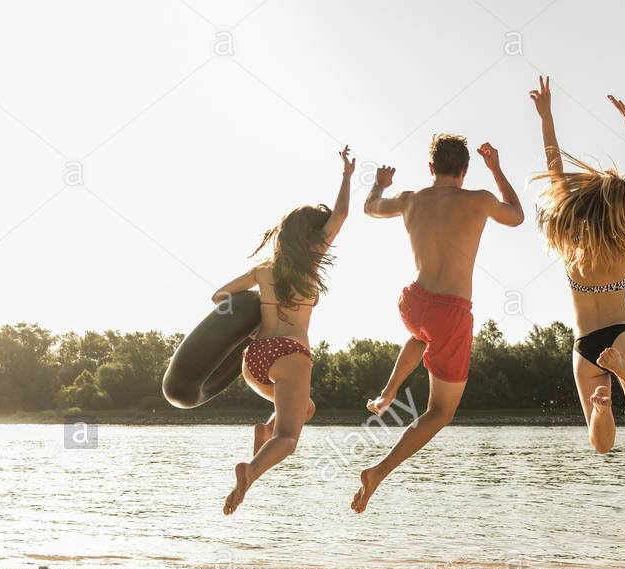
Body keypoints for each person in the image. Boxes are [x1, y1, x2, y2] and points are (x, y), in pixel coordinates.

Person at [351, 133, 524, 512]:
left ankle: (389, 392)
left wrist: (379, 183)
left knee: (420, 335)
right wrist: (496, 170)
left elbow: (370, 207)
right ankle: (378, 472)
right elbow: (516, 215)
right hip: (452, 311)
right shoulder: (478, 199)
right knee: (440, 412)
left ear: (431, 169)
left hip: (414, 302)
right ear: (464, 170)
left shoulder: (411, 199)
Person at [213, 146, 354, 515]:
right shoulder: (309, 267)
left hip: (254, 360)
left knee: (305, 407)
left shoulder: (263, 270)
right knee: (289, 438)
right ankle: (252, 468)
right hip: (290, 357)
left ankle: (261, 443)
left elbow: (219, 296)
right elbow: (341, 214)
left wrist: (249, 322)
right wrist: (347, 175)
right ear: (310, 238)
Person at [529, 76, 625, 453]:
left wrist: (546, 116)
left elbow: (555, 169)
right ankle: (620, 373)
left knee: (601, 445)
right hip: (621, 333)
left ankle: (603, 408)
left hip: (584, 342)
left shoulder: (571, 241)